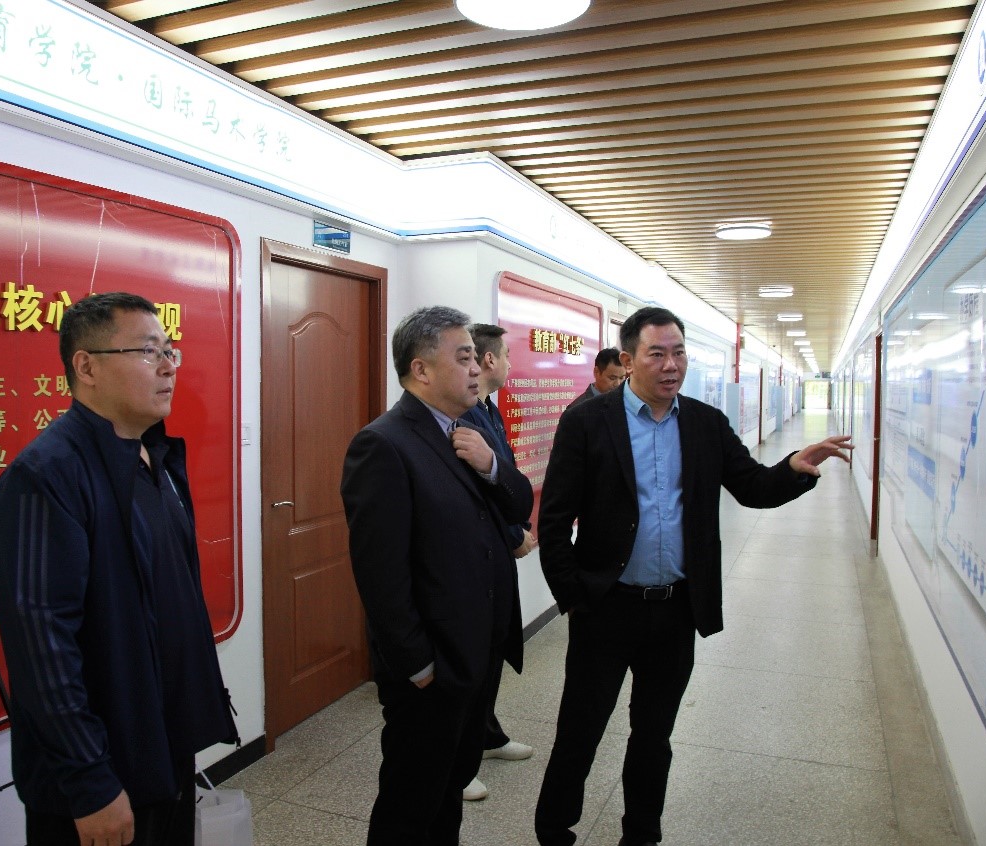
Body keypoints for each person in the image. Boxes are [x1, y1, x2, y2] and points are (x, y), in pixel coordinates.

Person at [534, 306, 853, 846]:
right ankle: (554, 832)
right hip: (605, 608)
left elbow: (751, 486)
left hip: (676, 609)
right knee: (580, 731)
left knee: (654, 735)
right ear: (628, 360)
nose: (671, 365)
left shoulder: (705, 423)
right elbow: (556, 519)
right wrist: (575, 597)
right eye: (657, 354)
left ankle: (641, 834)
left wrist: (793, 469)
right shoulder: (588, 421)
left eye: (679, 352)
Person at [0, 292, 238, 846]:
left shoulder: (152, 458)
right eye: (148, 351)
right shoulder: (45, 477)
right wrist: (89, 781)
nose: (168, 366)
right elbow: (42, 647)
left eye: (169, 350)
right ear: (87, 367)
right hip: (102, 775)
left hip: (162, 745)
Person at [340, 306, 534, 846]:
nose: (477, 368)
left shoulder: (468, 429)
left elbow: (519, 503)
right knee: (410, 804)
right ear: (421, 370)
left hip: (476, 654)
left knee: (449, 790)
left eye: (477, 357)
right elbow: (381, 575)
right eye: (464, 357)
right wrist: (418, 666)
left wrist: (491, 465)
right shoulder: (384, 444)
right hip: (432, 669)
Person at [458, 323, 537, 801]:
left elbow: (504, 474)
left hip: (498, 553)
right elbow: (477, 492)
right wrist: (513, 536)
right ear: (489, 360)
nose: (510, 363)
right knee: (475, 660)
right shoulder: (465, 417)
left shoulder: (489, 408)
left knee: (493, 652)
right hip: (482, 554)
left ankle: (486, 737)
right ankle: (460, 761)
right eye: (506, 354)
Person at [565, 347, 626, 411]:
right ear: (596, 372)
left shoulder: (626, 403)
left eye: (621, 378)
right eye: (612, 378)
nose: (618, 384)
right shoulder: (577, 409)